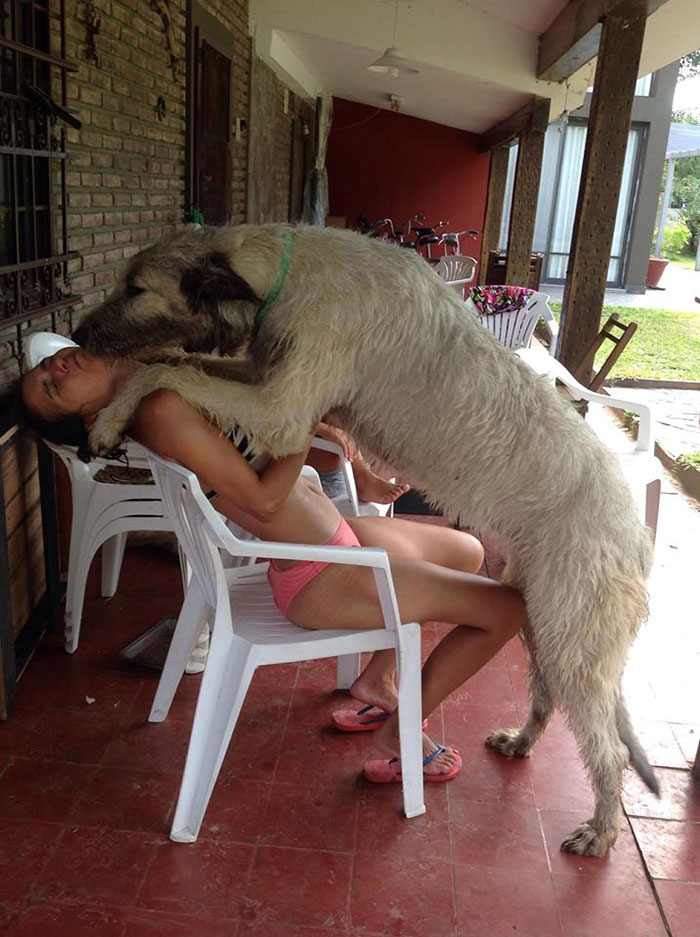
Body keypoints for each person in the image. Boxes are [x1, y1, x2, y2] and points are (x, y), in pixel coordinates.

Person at [20, 346, 527, 782]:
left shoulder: (163, 386)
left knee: (468, 552)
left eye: (48, 365)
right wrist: (302, 421)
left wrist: (316, 428)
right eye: (51, 386)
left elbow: (299, 459)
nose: (57, 366)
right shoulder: (161, 408)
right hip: (322, 574)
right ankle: (402, 727)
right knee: (507, 609)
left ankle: (378, 682)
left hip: (331, 540)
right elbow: (264, 503)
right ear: (90, 418)